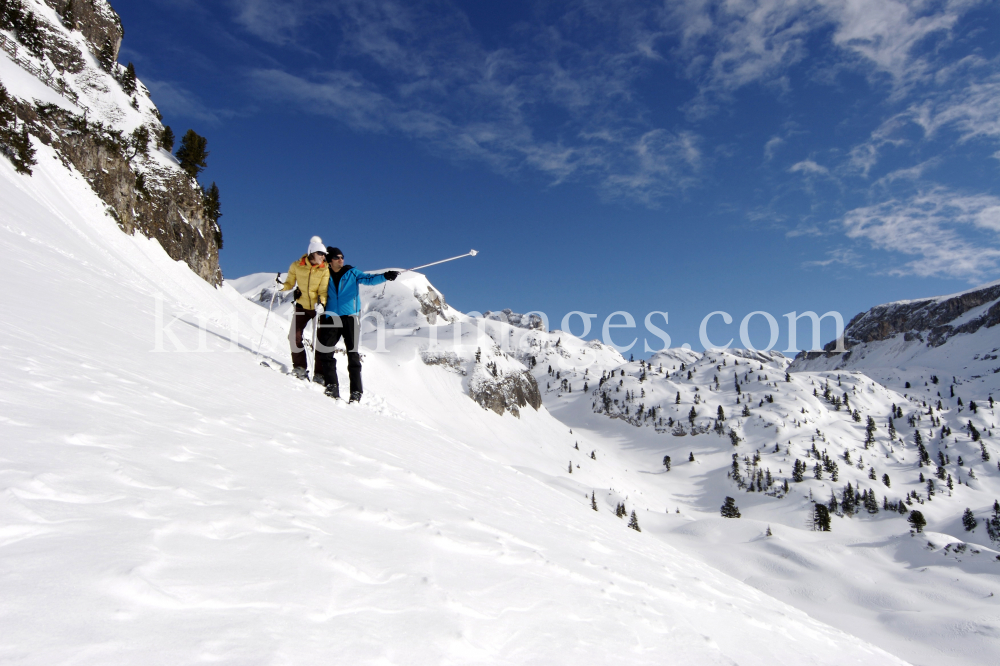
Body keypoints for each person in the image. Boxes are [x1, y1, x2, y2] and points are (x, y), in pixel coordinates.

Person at [315, 246, 398, 402]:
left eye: (342, 257)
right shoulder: (324, 275)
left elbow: (369, 279)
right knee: (326, 353)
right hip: (331, 317)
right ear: (330, 260)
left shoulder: (352, 272)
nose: (341, 260)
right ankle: (331, 385)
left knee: (352, 355)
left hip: (350, 318)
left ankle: (356, 392)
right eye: (337, 257)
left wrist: (386, 276)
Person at [280, 236, 329, 379]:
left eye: (324, 254)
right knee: (293, 337)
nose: (323, 256)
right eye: (320, 253)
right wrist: (281, 287)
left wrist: (322, 303)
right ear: (312, 252)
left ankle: (319, 374)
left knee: (319, 341)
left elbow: (323, 290)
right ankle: (300, 368)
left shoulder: (324, 269)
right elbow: (289, 284)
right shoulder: (296, 266)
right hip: (302, 306)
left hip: (317, 308)